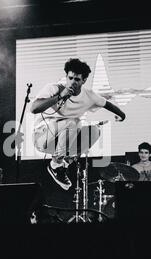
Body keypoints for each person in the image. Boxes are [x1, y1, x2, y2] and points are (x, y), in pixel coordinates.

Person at [30, 58, 126, 190]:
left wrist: (122, 115)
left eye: (77, 80)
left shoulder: (89, 95)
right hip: (43, 138)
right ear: (66, 77)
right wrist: (59, 96)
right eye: (70, 78)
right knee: (74, 122)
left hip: (64, 139)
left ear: (84, 80)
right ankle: (56, 164)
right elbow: (34, 109)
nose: (72, 82)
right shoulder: (54, 88)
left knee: (94, 131)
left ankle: (64, 164)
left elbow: (107, 104)